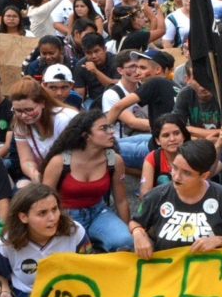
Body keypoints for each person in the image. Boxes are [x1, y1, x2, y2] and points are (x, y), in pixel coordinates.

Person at [130, 139, 222, 257]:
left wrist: (219, 240)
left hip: (208, 270)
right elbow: (135, 221)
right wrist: (138, 232)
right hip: (169, 269)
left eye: (187, 173)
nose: (176, 176)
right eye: (175, 168)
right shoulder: (157, 195)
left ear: (204, 175)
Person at [41, 110, 132, 252]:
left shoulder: (114, 160)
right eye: (103, 128)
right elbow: (43, 202)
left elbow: (121, 200)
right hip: (66, 216)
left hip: (98, 211)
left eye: (110, 127)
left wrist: (130, 232)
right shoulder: (59, 162)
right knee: (70, 255)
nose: (111, 132)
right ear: (86, 136)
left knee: (125, 242)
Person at [10, 77, 77, 187]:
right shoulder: (19, 124)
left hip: (73, 174)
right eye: (18, 111)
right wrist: (34, 173)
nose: (23, 115)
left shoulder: (65, 119)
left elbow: (75, 158)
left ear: (42, 103)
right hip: (46, 175)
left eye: (29, 110)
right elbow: (26, 160)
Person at [140, 113, 188, 197]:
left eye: (176, 133)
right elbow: (144, 195)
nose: (172, 139)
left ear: (183, 136)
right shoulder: (153, 157)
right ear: (158, 140)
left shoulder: (192, 155)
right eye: (166, 135)